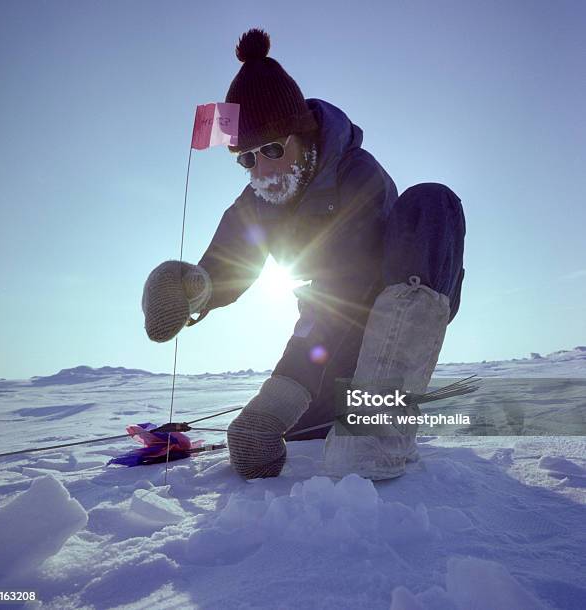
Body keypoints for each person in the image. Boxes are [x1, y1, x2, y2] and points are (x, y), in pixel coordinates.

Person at [142, 28, 466, 480]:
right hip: (330, 343)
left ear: (303, 135)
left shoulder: (357, 177)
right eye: (247, 159)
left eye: (272, 149)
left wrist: (274, 403)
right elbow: (229, 263)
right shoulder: (258, 199)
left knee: (431, 203)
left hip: (383, 320)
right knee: (302, 431)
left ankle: (380, 429)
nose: (263, 169)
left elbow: (341, 296)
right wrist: (193, 287)